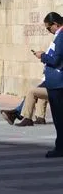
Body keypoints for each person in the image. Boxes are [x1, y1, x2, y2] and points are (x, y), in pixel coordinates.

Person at [34, 11, 63, 157]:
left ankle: (60, 148)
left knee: (59, 118)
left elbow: (56, 60)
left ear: (56, 24)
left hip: (58, 84)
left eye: (48, 28)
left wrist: (42, 56)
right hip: (56, 83)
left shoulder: (61, 37)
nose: (48, 31)